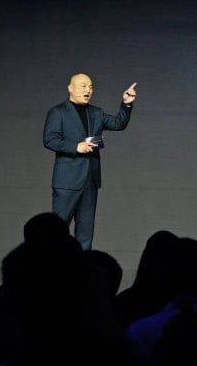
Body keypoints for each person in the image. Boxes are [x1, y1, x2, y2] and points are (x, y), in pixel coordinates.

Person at [43, 73, 137, 251]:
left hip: (90, 181)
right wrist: (75, 147)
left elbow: (118, 123)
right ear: (70, 88)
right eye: (83, 86)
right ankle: (53, 271)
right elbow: (49, 139)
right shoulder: (58, 112)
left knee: (85, 233)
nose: (88, 90)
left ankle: (82, 272)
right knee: (57, 231)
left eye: (91, 87)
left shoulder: (96, 112)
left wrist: (127, 103)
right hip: (67, 182)